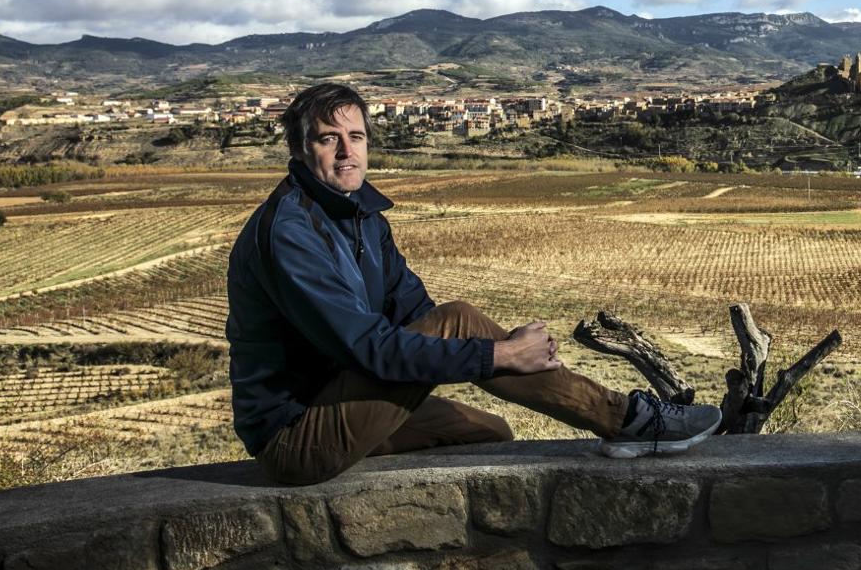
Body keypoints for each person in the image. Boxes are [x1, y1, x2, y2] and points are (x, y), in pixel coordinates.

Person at [226, 83, 722, 484]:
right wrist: (500, 356)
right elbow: (372, 348)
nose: (345, 152)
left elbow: (415, 313)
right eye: (327, 138)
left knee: (490, 431)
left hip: (341, 398)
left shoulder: (361, 216)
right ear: (299, 147)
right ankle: (626, 419)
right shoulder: (290, 232)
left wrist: (505, 355)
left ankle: (620, 416)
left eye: (355, 137)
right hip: (294, 434)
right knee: (457, 319)